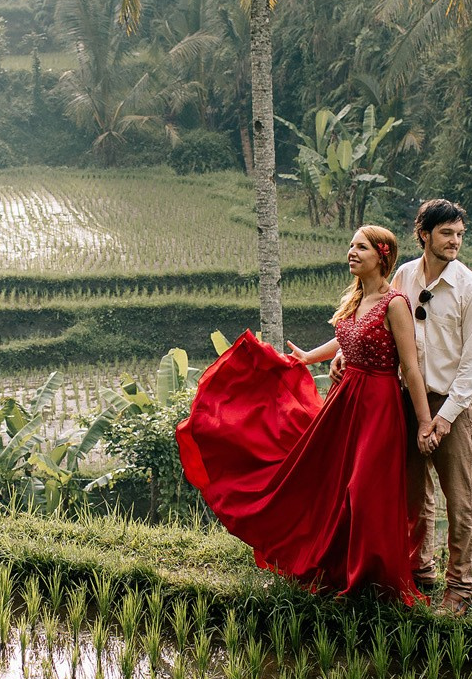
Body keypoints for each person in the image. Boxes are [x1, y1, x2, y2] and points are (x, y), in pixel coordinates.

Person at [175, 225, 435, 604]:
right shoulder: (356, 299)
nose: (351, 252)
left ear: (382, 256)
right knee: (330, 483)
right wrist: (309, 357)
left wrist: (425, 421)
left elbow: (410, 368)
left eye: (360, 247)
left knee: (364, 490)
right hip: (345, 400)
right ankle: (340, 568)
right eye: (350, 246)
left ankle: (371, 579)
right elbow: (348, 336)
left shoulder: (395, 303)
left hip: (379, 404)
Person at [393, 198, 472, 614]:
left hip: (453, 404)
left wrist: (444, 419)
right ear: (424, 234)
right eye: (447, 233)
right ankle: (421, 570)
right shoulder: (403, 276)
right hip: (408, 398)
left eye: (459, 235)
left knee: (460, 499)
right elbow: (386, 327)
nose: (455, 241)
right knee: (414, 493)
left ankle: (461, 587)